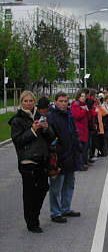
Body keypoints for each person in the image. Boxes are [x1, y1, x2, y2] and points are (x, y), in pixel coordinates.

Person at [9, 91, 55, 233]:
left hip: (42, 158)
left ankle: (34, 215)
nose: (28, 103)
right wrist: (32, 130)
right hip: (27, 161)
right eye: (25, 101)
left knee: (43, 188)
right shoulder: (17, 120)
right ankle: (32, 222)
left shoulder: (40, 116)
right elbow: (18, 141)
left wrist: (46, 129)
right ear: (21, 102)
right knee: (29, 193)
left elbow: (51, 137)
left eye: (30, 101)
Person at [46, 91, 82, 224]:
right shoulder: (51, 116)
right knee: (56, 187)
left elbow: (73, 132)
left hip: (71, 155)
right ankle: (55, 212)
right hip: (59, 156)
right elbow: (51, 137)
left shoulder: (68, 115)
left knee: (69, 183)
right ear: (55, 102)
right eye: (60, 101)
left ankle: (65, 207)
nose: (63, 103)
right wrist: (60, 151)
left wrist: (77, 148)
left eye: (65, 101)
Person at [70, 90, 90, 171]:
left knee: (84, 148)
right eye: (81, 96)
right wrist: (84, 110)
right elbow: (77, 116)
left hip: (84, 129)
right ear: (78, 97)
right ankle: (80, 164)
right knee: (80, 148)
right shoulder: (75, 105)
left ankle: (83, 163)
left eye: (84, 96)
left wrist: (86, 110)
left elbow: (88, 117)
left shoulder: (83, 105)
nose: (83, 98)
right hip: (79, 130)